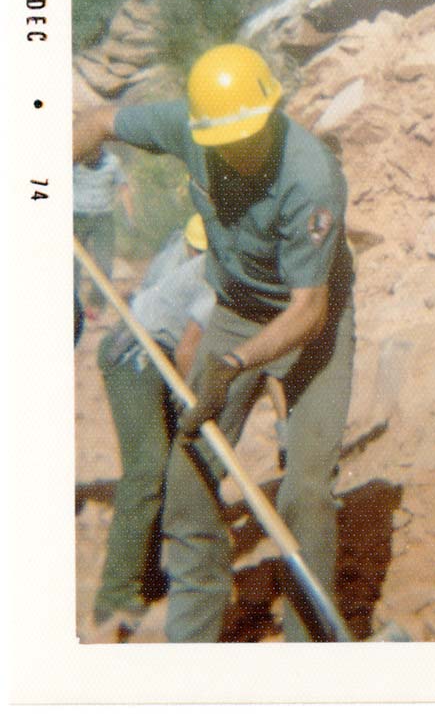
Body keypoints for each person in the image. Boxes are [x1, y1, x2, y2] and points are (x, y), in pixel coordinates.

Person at [74, 43, 355, 643]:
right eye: (227, 140)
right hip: (236, 305)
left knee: (305, 490)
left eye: (253, 135)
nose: (241, 151)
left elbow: (308, 310)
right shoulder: (187, 127)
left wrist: (235, 363)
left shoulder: (311, 177)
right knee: (191, 476)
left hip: (311, 317)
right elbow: (97, 121)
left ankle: (315, 657)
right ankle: (192, 653)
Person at [91, 213, 216, 642]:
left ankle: (147, 579)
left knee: (162, 469)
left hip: (153, 352)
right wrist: (194, 405)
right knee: (147, 470)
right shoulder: (214, 273)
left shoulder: (185, 250)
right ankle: (115, 596)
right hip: (135, 357)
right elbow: (187, 349)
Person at [73, 144, 134, 342]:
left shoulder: (113, 162)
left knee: (104, 263)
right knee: (71, 265)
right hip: (77, 216)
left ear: (99, 149)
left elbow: (124, 189)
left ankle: (95, 305)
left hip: (103, 218)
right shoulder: (73, 159)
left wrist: (130, 217)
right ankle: (71, 308)